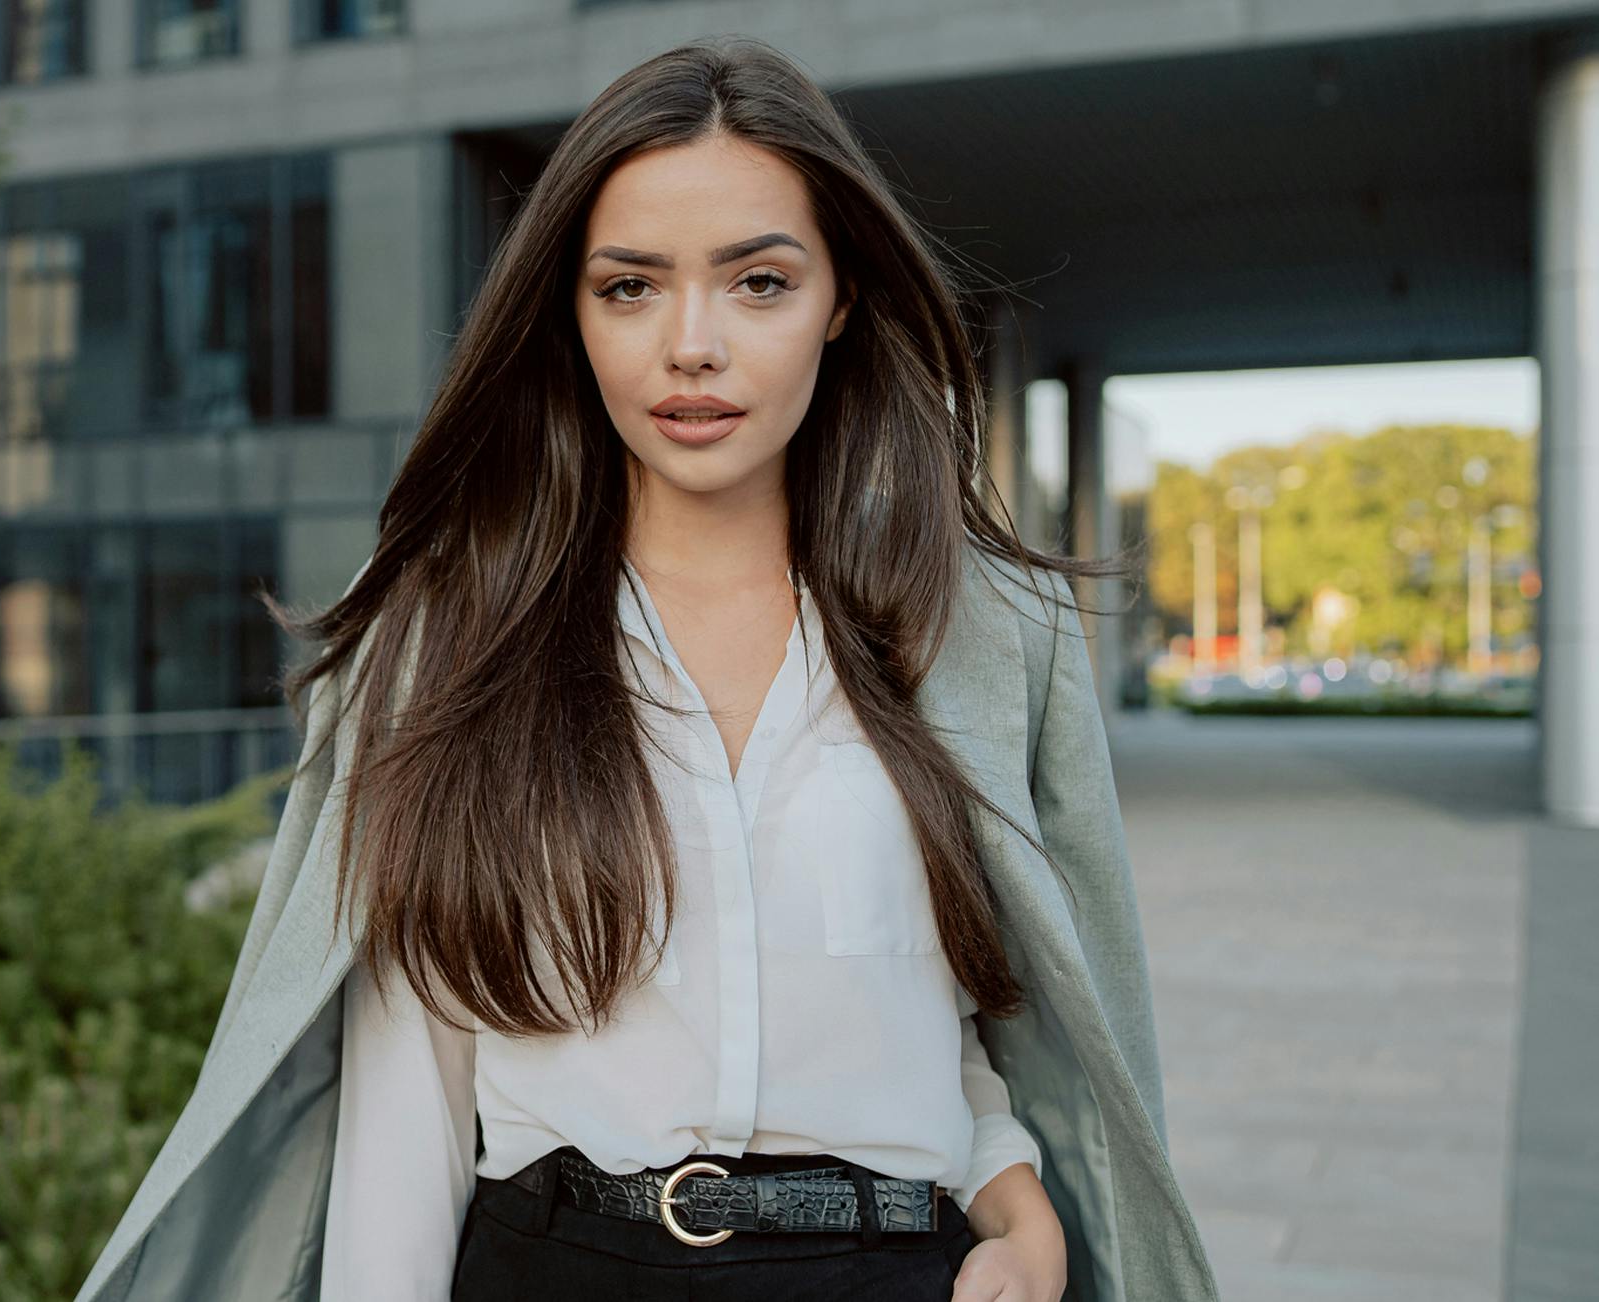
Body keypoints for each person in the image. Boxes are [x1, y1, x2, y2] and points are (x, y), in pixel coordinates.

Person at [72, 35, 1219, 1302]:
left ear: (839, 298)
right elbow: (409, 1098)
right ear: (569, 313)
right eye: (629, 287)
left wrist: (1018, 1199)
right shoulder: (451, 636)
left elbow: (947, 1021)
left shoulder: (985, 634)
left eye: (757, 283)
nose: (691, 345)